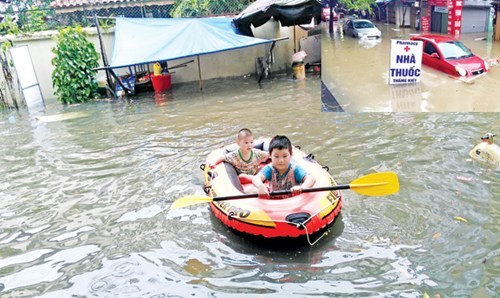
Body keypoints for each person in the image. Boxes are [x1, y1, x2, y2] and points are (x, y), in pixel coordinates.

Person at [252, 135, 315, 199]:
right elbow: (256, 178)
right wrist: (260, 186)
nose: (281, 160)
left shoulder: (295, 169)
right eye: (276, 156)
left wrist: (302, 187)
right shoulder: (270, 168)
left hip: (294, 201)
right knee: (249, 190)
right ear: (270, 156)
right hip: (275, 201)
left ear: (290, 155)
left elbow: (310, 179)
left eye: (284, 156)